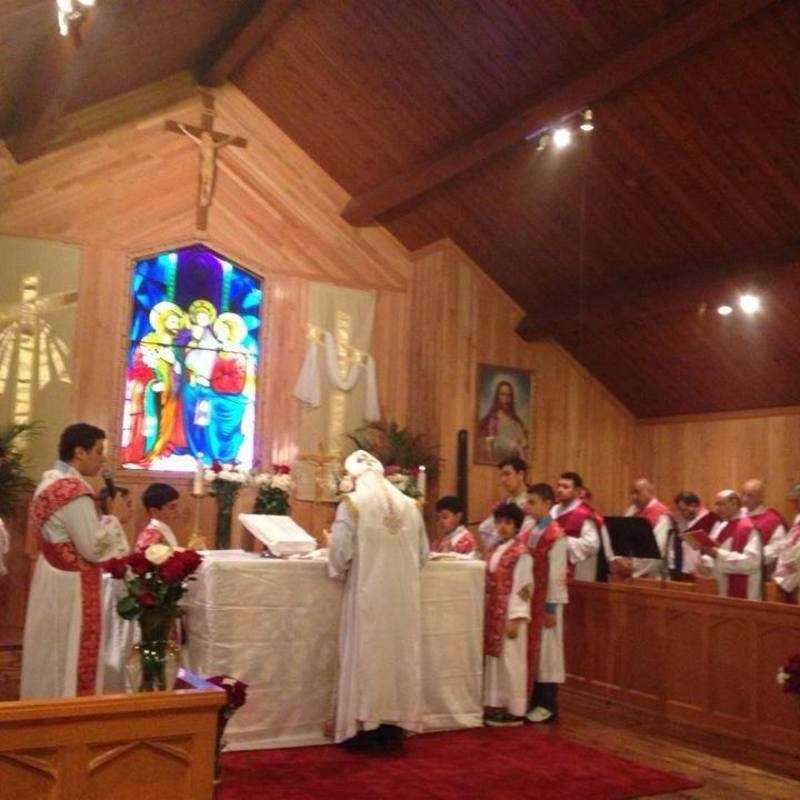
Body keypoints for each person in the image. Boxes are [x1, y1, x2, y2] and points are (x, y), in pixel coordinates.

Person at [21, 423, 132, 698]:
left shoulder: (48, 482)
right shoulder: (73, 491)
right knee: (67, 652)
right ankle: (70, 715)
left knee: (51, 648)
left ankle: (44, 705)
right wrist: (116, 518)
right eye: (98, 450)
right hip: (72, 587)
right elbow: (93, 548)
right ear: (79, 451)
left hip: (52, 576)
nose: (103, 458)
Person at [327, 450, 428, 748]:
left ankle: (363, 724)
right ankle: (393, 725)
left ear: (355, 478)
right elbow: (423, 555)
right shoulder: (411, 505)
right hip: (403, 599)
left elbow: (339, 555)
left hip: (367, 593)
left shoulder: (353, 503)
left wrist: (336, 565)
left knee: (366, 651)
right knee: (399, 654)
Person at [483, 503, 532, 726]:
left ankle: (515, 709)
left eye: (508, 523)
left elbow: (524, 587)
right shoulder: (495, 549)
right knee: (496, 661)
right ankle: (496, 703)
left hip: (511, 615)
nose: (502, 527)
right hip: (494, 611)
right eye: (499, 522)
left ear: (517, 526)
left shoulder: (521, 553)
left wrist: (516, 617)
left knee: (512, 660)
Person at [522, 483, 567, 724]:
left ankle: (547, 704)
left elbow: (557, 574)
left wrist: (550, 607)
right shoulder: (530, 529)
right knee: (534, 652)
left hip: (547, 601)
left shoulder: (556, 534)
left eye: (533, 502)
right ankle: (532, 698)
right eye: (528, 502)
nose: (528, 507)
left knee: (547, 653)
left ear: (548, 504)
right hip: (531, 598)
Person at [696, 490, 762, 600]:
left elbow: (751, 562)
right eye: (716, 504)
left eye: (721, 504)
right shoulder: (724, 527)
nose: (717, 508)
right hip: (724, 588)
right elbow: (716, 552)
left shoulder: (748, 528)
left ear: (734, 503)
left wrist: (717, 553)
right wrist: (705, 562)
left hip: (745, 591)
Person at [551, 472, 600, 581]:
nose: (559, 490)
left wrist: (563, 541)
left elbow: (592, 545)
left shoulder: (583, 514)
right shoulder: (552, 510)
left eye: (565, 487)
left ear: (577, 491)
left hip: (574, 571)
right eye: (558, 486)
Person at [621, 478, 674, 579]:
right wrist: (619, 559)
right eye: (631, 493)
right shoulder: (632, 511)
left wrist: (632, 567)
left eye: (637, 492)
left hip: (651, 575)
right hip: (628, 570)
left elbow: (656, 551)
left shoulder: (661, 515)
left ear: (650, 492)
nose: (633, 497)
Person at [478, 457, 529, 552]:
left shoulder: (531, 502)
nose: (503, 480)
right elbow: (484, 529)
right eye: (501, 475)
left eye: (507, 474)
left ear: (521, 475)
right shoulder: (505, 502)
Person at [740, 478, 789, 578]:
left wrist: (746, 560)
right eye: (743, 494)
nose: (744, 499)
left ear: (761, 498)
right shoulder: (737, 516)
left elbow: (777, 548)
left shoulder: (772, 520)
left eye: (750, 496)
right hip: (733, 571)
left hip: (758, 575)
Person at [477, 380, 528, 464]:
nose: (506, 398)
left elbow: (524, 446)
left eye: (509, 395)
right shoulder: (491, 420)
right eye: (502, 394)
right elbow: (489, 446)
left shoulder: (516, 423)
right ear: (497, 397)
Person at [670, 491, 718, 579]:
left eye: (684, 510)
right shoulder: (683, 521)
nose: (682, 513)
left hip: (702, 571)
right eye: (680, 510)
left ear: (694, 505)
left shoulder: (711, 519)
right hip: (683, 570)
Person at [772, 484, 800, 602]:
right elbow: (789, 545)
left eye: (797, 500)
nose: (795, 505)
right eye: (793, 501)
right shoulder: (798, 519)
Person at [135, 483, 181, 551]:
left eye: (177, 506)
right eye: (172, 507)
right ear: (154, 511)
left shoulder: (163, 529)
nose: (178, 511)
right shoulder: (151, 535)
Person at [97, 485, 133, 557]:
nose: (132, 509)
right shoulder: (108, 523)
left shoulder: (112, 524)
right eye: (128, 504)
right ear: (110, 502)